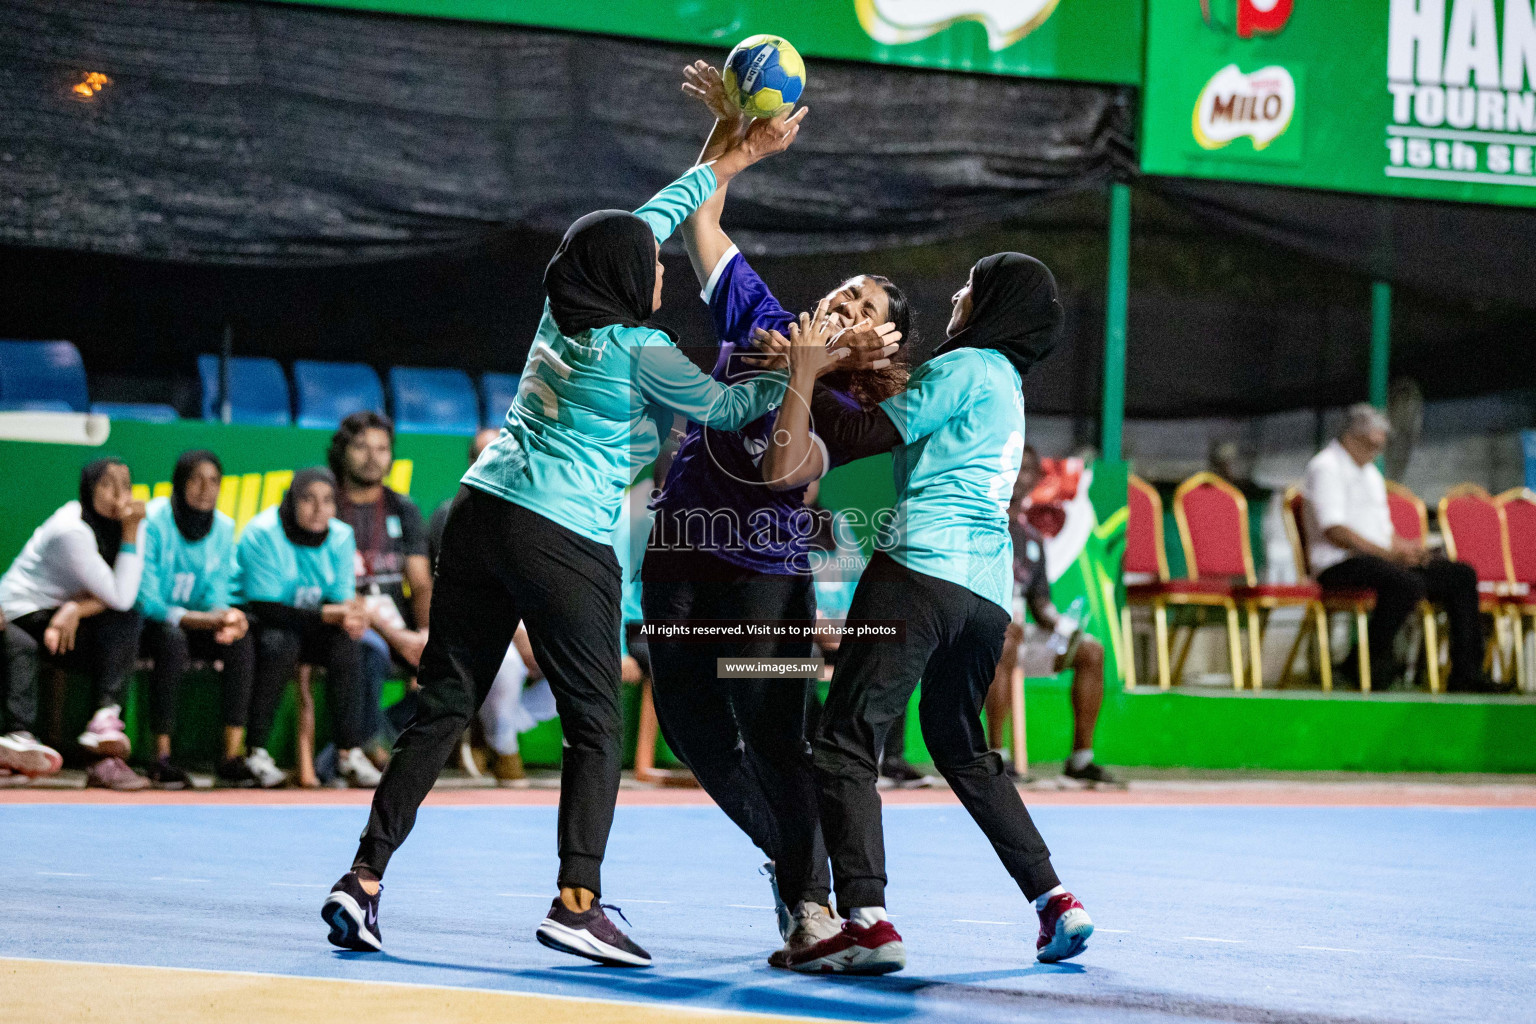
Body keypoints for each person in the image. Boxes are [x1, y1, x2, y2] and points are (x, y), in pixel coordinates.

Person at [322, 111, 807, 967]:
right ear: (627, 281)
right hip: (561, 533)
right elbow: (732, 411)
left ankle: (361, 881)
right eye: (652, 268)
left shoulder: (561, 307)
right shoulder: (640, 347)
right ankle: (577, 902)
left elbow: (646, 220)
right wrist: (789, 369)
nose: (660, 270)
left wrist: (727, 155)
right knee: (594, 724)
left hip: (478, 511)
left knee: (443, 704)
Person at [641, 60, 908, 963]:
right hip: (681, 547)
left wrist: (809, 372)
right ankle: (801, 867)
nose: (844, 302)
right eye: (845, 291)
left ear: (877, 342)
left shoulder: (853, 413)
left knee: (771, 730)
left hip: (765, 574)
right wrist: (734, 143)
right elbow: (699, 219)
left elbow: (788, 474)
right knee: (689, 726)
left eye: (864, 308)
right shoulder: (758, 314)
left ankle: (809, 903)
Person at [771, 254, 1094, 973]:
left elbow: (855, 441)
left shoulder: (966, 366)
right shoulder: (1007, 386)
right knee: (960, 744)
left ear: (994, 305)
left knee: (847, 739)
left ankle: (868, 919)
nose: (958, 293)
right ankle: (1055, 901)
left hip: (919, 567)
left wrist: (806, 369)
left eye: (973, 286)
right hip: (984, 598)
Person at [1302, 404, 1491, 691]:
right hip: (1338, 562)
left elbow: (1384, 532)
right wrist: (1390, 555)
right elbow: (1335, 530)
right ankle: (1365, 662)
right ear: (1351, 437)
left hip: (1379, 561)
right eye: (1371, 445)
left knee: (1460, 575)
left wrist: (1409, 549)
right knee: (1404, 582)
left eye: (1379, 447)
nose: (1376, 453)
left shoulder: (1370, 474)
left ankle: (1466, 674)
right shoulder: (1325, 467)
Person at [0, 459, 146, 789]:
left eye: (126, 484)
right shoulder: (71, 529)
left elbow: (125, 592)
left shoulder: (131, 522)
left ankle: (105, 720)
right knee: (22, 643)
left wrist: (75, 610)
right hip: (23, 610)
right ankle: (19, 737)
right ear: (88, 490)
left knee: (126, 622)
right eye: (108, 485)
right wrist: (74, 609)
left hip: (60, 615)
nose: (119, 494)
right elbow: (119, 595)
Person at [236, 468, 378, 789]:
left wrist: (350, 616)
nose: (319, 510)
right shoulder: (262, 533)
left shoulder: (341, 536)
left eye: (328, 501)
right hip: (262, 621)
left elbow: (340, 602)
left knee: (347, 644)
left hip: (310, 625)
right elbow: (266, 607)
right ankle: (256, 752)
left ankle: (349, 754)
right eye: (308, 500)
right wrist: (330, 614)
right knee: (280, 643)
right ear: (291, 500)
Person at [986, 448, 1118, 786]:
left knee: (1091, 651)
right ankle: (995, 756)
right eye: (1014, 467)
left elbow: (1039, 603)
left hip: (1018, 639)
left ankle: (1080, 759)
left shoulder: (1032, 538)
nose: (1020, 476)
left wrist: (1059, 622)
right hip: (981, 636)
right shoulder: (982, 526)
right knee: (1006, 637)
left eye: (1028, 470)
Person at [430, 427, 554, 786]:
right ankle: (504, 747)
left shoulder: (537, 513)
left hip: (528, 623)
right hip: (477, 626)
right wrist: (519, 634)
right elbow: (455, 590)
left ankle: (495, 730)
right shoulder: (451, 514)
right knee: (508, 664)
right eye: (486, 454)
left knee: (579, 670)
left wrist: (540, 632)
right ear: (473, 464)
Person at [135, 451, 255, 789]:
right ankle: (161, 757)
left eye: (214, 481)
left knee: (240, 639)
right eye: (196, 480)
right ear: (179, 483)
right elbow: (147, 601)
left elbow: (216, 594)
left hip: (196, 622)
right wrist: (200, 620)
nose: (206, 489)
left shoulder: (223, 527)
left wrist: (227, 617)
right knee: (172, 638)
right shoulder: (153, 521)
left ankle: (231, 757)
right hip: (150, 625)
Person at [330, 412, 430, 759]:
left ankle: (363, 743)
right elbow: (332, 587)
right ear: (342, 451)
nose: (373, 456)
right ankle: (370, 750)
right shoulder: (325, 504)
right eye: (361, 447)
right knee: (366, 650)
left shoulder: (403, 508)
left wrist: (426, 632)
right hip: (351, 620)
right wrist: (396, 637)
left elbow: (420, 583)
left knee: (453, 665)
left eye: (382, 448)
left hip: (399, 625)